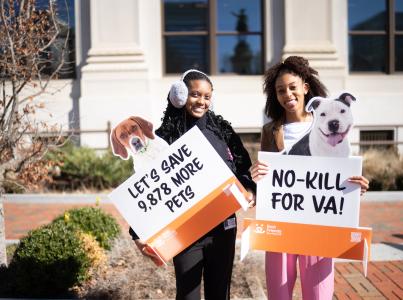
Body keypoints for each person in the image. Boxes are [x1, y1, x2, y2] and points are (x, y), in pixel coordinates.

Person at [249, 56, 369, 300]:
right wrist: (256, 177)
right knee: (278, 295)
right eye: (281, 90)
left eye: (292, 87)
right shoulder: (270, 130)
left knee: (318, 296)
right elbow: (266, 180)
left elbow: (340, 174)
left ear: (305, 87)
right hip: (280, 227)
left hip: (319, 227)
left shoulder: (329, 123)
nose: (287, 94)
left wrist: (356, 186)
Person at [130, 69, 256, 300]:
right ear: (180, 96)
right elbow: (148, 185)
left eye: (207, 96)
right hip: (186, 231)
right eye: (195, 94)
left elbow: (243, 170)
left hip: (223, 228)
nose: (202, 101)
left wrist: (249, 189)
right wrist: (137, 232)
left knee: (220, 294)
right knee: (187, 295)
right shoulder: (162, 138)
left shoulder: (223, 131)